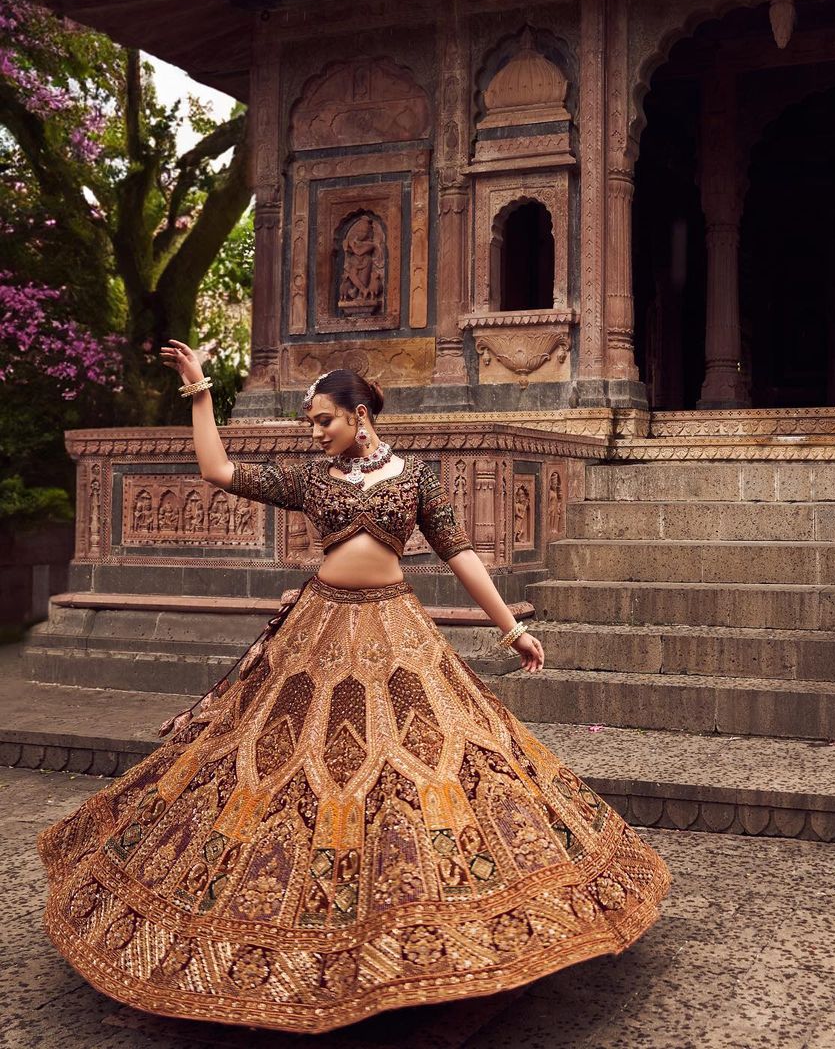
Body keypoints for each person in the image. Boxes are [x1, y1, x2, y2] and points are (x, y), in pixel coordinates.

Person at [38, 341, 671, 1034]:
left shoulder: (419, 480)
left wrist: (510, 629)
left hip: (396, 638)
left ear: (360, 413)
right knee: (275, 775)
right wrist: (199, 392)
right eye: (311, 423)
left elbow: (461, 554)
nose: (316, 432)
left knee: (423, 774)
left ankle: (420, 943)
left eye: (323, 420)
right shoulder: (314, 481)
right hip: (316, 638)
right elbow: (217, 470)